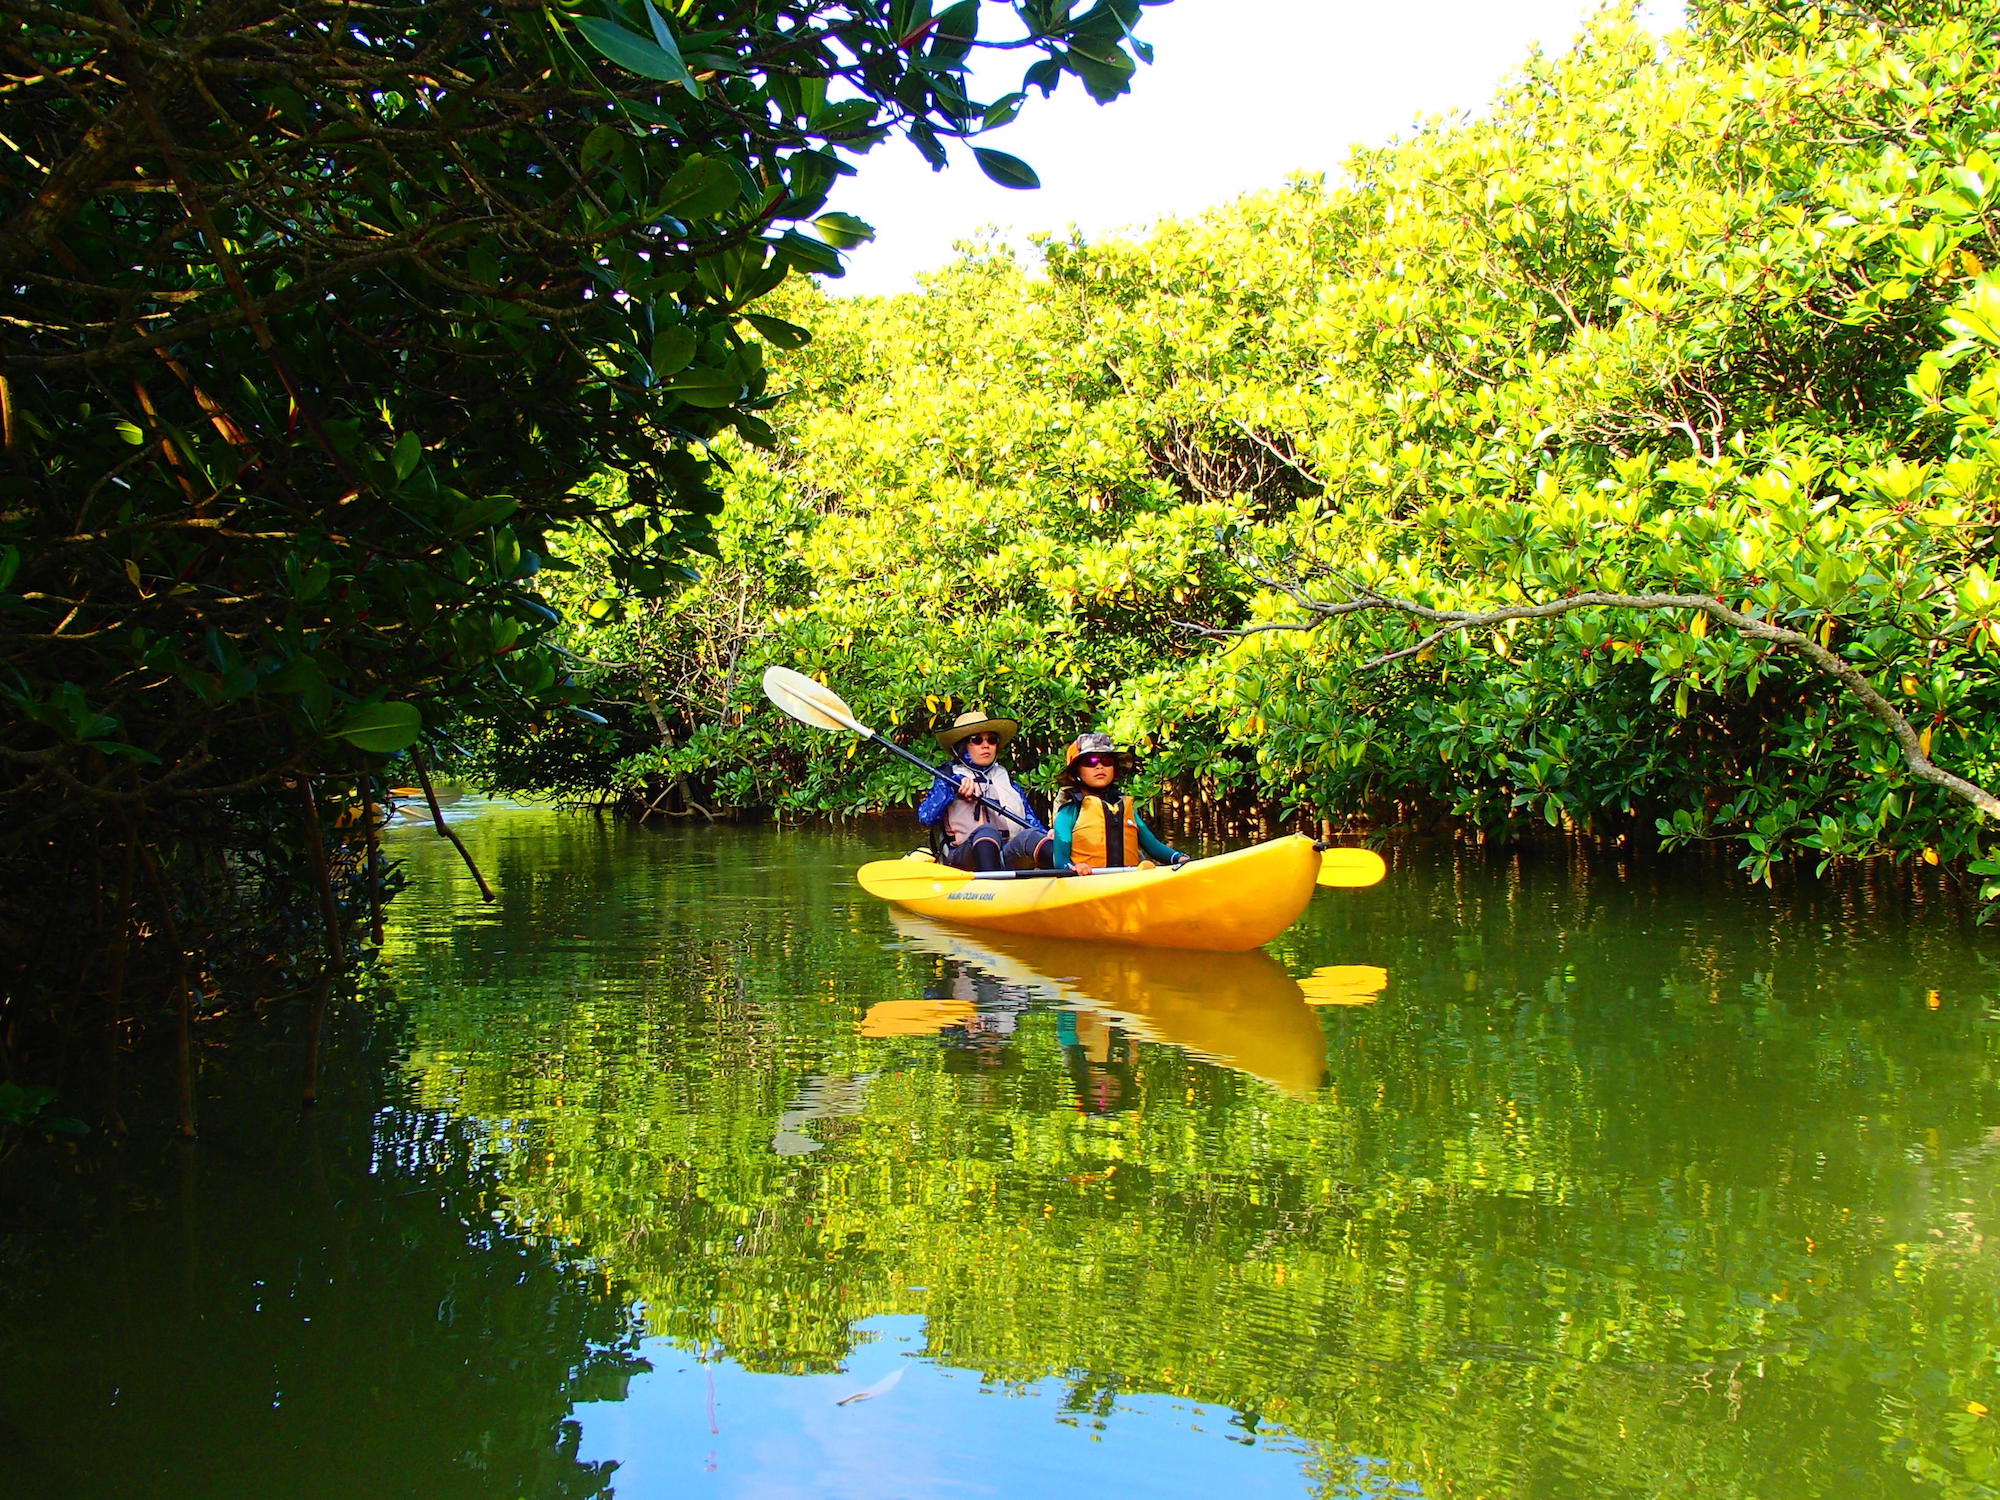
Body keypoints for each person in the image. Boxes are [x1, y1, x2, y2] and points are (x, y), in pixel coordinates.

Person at [918, 709, 1050, 871]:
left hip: (1007, 855)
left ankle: (1067, 871)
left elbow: (1030, 820)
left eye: (992, 740)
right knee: (987, 831)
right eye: (977, 740)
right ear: (962, 746)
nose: (986, 745)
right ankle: (992, 884)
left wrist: (1047, 835)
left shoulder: (1006, 779)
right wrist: (953, 788)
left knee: (1032, 835)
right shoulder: (948, 778)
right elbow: (925, 817)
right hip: (963, 858)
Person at [1049, 733, 1188, 874]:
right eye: (1090, 761)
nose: (1099, 767)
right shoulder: (1069, 812)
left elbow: (1153, 846)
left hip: (1126, 881)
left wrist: (1179, 858)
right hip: (1086, 881)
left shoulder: (1124, 807)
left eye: (1107, 761)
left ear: (1114, 769)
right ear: (1074, 773)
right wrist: (1073, 868)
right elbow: (1060, 860)